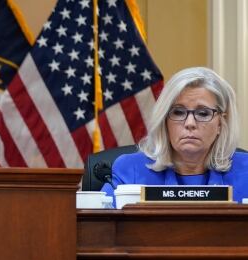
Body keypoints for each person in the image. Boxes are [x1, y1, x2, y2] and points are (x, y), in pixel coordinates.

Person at [102, 67, 248, 202]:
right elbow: (99, 226)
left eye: (203, 113)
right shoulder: (130, 170)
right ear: (164, 121)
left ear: (221, 123)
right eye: (178, 112)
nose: (190, 123)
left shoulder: (245, 172)